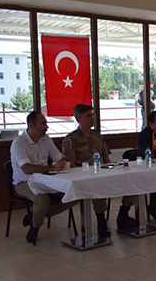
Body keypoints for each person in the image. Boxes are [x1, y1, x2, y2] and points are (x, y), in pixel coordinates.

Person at [62, 104, 136, 237]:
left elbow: (106, 158)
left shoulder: (97, 136)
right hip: (83, 176)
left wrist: (115, 170)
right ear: (79, 119)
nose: (92, 118)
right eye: (88, 116)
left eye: (92, 115)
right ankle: (101, 221)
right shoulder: (71, 139)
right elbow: (70, 164)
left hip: (101, 172)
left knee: (131, 181)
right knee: (98, 187)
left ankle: (123, 214)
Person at [10, 111, 77, 243]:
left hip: (46, 179)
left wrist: (63, 163)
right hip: (24, 182)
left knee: (74, 193)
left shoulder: (46, 139)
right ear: (31, 125)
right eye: (43, 123)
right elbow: (27, 169)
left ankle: (35, 215)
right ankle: (34, 228)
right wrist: (52, 167)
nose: (46, 127)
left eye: (46, 123)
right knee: (42, 200)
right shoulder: (19, 143)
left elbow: (58, 158)